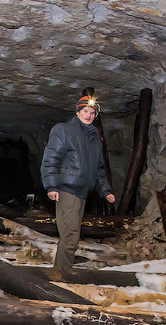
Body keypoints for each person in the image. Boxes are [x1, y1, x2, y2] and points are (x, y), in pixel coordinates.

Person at [40, 87, 115, 277]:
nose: (89, 115)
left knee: (72, 235)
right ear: (77, 111)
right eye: (86, 111)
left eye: (92, 113)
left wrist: (105, 191)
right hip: (67, 190)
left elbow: (98, 169)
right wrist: (52, 186)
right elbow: (51, 158)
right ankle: (61, 276)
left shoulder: (94, 140)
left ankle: (63, 271)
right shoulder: (63, 130)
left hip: (82, 193)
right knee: (70, 235)